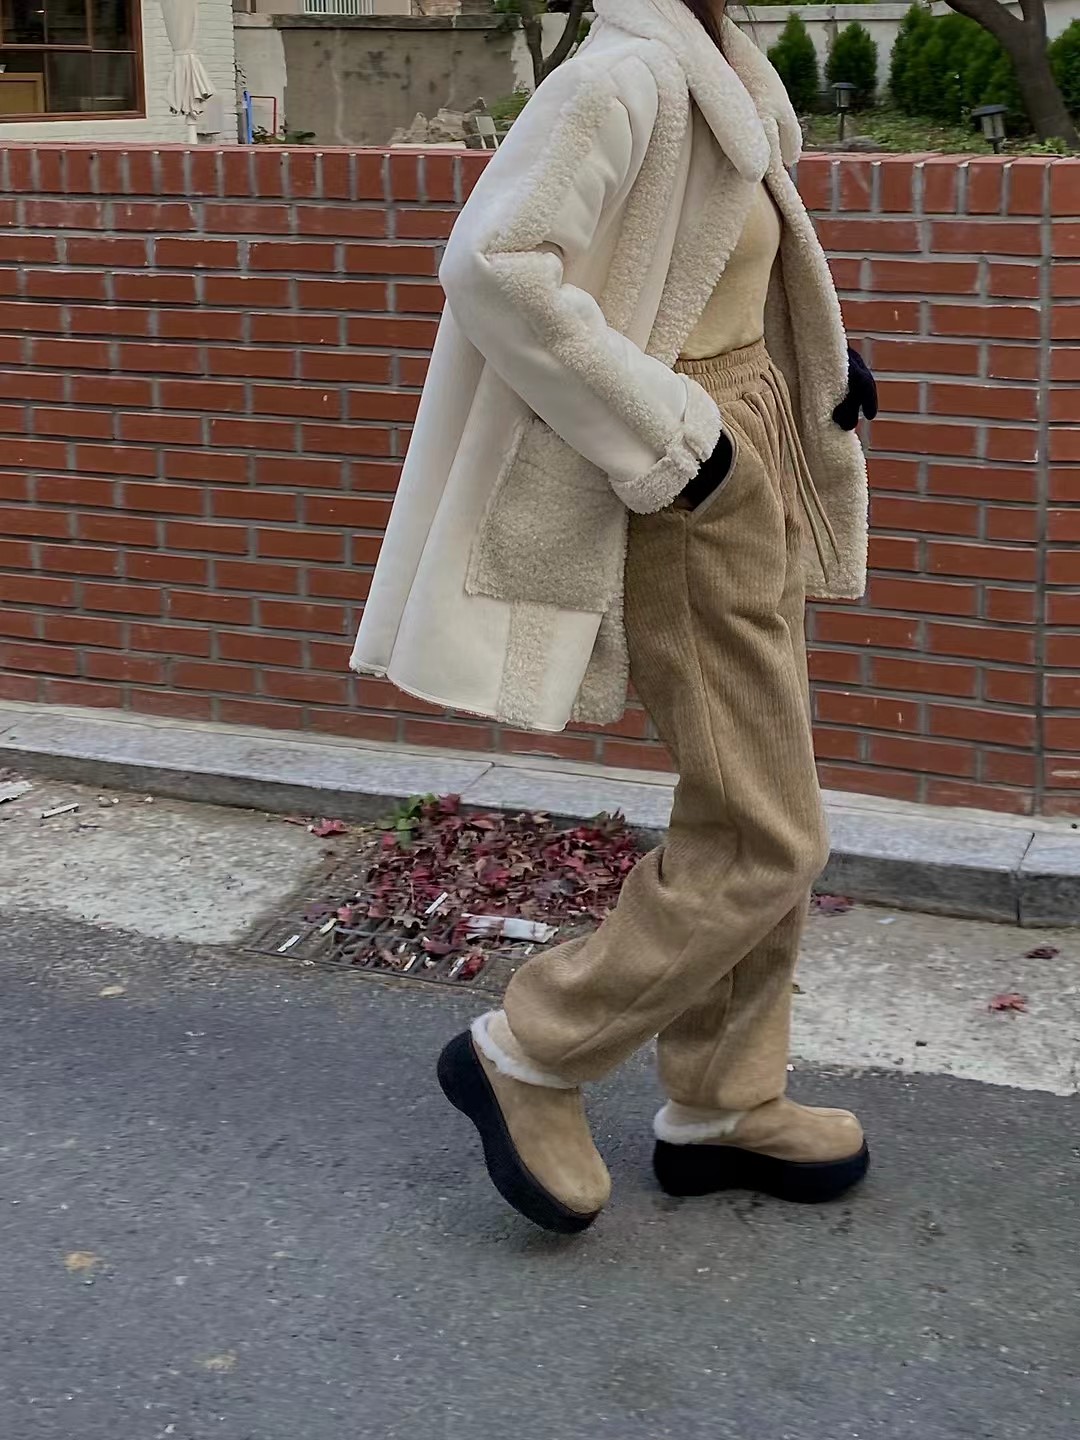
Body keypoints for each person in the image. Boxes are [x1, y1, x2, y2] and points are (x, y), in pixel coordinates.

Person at [351, 0, 879, 1233]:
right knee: (768, 834)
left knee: (747, 801)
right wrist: (677, 439)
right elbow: (495, 262)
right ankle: (532, 1050)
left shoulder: (720, 67)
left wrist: (814, 364)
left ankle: (724, 1104)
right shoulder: (625, 75)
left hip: (747, 442)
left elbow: (719, 264)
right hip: (690, 480)